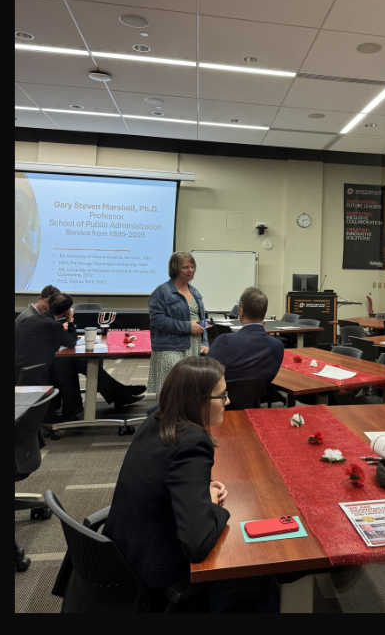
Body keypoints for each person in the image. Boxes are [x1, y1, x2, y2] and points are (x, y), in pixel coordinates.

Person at [103, 356, 279, 612]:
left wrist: (199, 490)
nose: (228, 401)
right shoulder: (193, 443)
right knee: (264, 578)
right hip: (158, 587)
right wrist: (213, 505)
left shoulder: (156, 421)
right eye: (221, 396)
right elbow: (196, 545)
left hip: (125, 563)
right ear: (197, 401)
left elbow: (166, 481)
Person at [14, 292, 145, 419]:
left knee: (80, 361)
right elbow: (71, 342)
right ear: (66, 311)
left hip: (31, 368)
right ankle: (118, 393)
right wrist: (70, 321)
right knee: (76, 362)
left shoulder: (35, 319)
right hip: (37, 372)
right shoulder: (52, 324)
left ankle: (117, 394)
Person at [147, 251, 209, 396]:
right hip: (170, 347)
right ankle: (165, 418)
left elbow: (202, 319)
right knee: (172, 391)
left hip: (194, 347)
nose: (190, 270)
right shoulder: (161, 292)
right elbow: (157, 320)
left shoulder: (195, 292)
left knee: (189, 392)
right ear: (175, 268)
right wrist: (188, 327)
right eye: (185, 267)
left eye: (192, 267)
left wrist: (205, 342)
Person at [207, 287, 283, 384]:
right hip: (256, 397)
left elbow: (206, 374)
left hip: (224, 397)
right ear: (265, 311)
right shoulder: (277, 346)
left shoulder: (226, 341)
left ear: (241, 311)